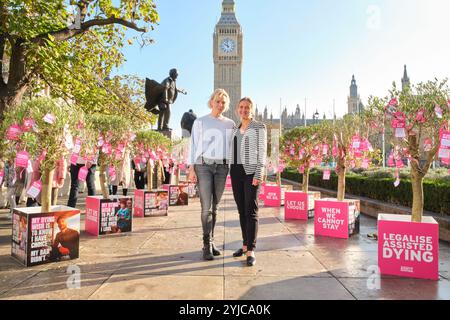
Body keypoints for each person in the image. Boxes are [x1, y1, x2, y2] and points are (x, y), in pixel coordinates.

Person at [187, 89, 235, 260]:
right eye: (218, 101)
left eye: (223, 102)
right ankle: (206, 244)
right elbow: (192, 145)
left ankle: (212, 241)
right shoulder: (200, 121)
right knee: (206, 207)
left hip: (222, 168)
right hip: (203, 166)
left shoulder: (230, 124)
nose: (220, 105)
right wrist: (191, 168)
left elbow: (232, 147)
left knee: (215, 207)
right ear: (211, 102)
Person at [228, 97, 267, 266]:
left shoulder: (259, 127)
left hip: (251, 173)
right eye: (241, 107)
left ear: (252, 110)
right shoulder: (235, 129)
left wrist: (259, 173)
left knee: (251, 210)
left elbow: (263, 151)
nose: (244, 110)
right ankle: (244, 245)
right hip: (236, 172)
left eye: (247, 107)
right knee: (241, 210)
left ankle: (251, 250)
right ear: (238, 109)